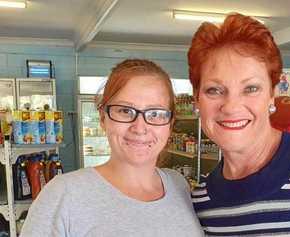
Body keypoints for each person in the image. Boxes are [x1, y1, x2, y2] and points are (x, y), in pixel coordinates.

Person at [20, 59, 204, 237]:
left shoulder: (179, 186)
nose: (140, 128)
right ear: (103, 118)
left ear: (170, 124)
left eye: (155, 113)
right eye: (125, 111)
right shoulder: (63, 196)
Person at [188, 13, 290, 236]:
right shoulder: (201, 201)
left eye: (250, 88)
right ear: (197, 99)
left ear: (272, 94)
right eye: (214, 90)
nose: (231, 106)